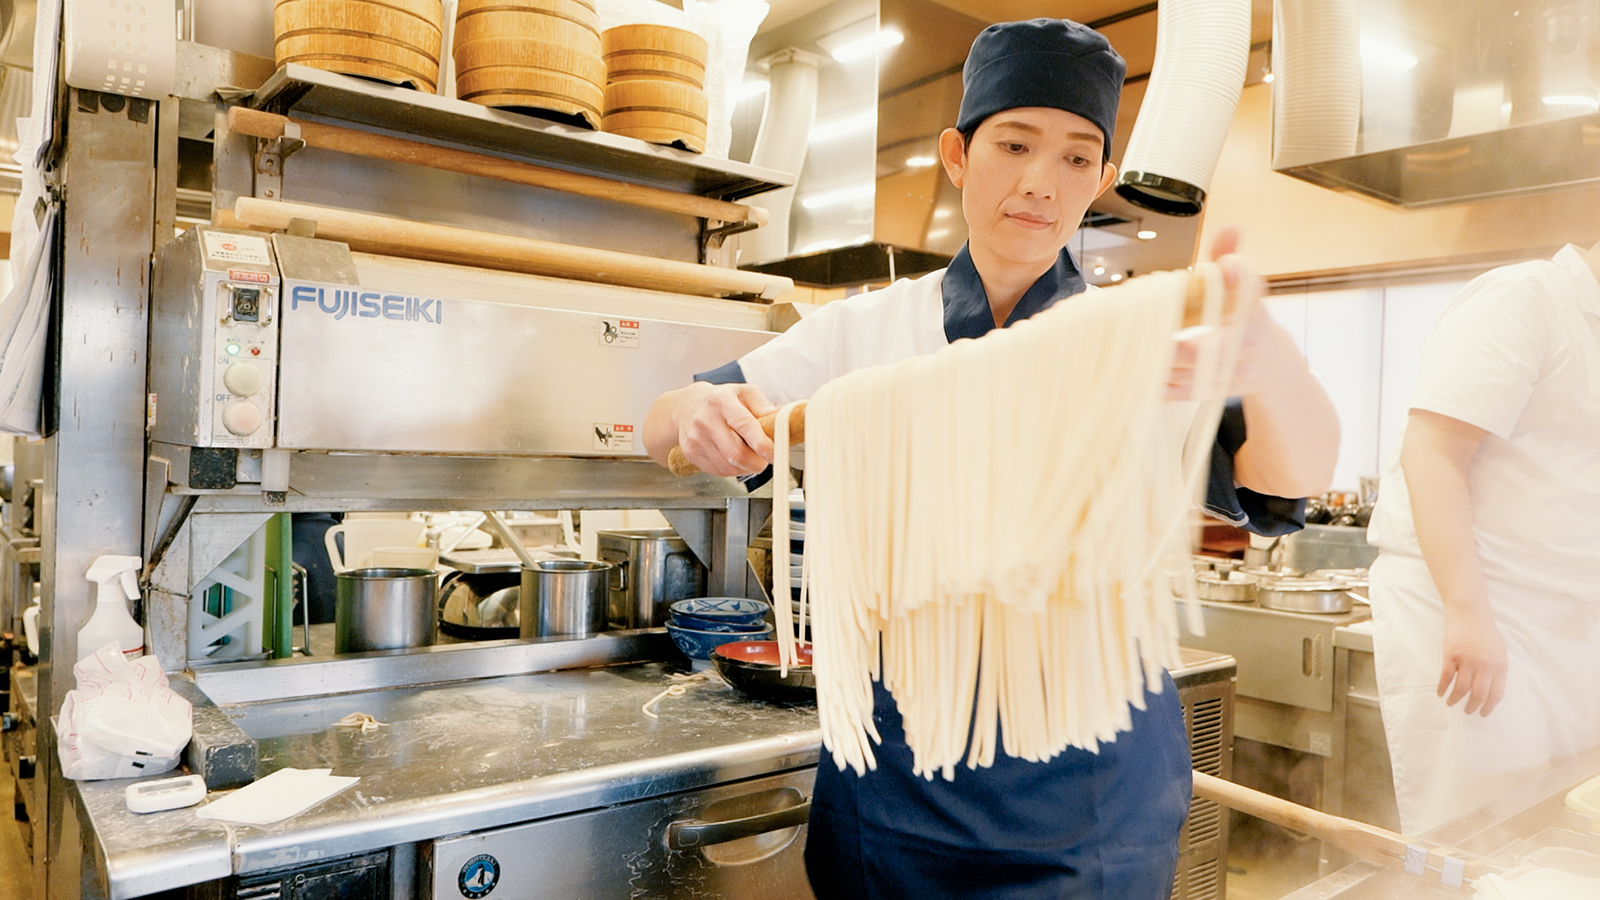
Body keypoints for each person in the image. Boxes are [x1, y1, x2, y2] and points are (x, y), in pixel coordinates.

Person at [645, 19, 1338, 898]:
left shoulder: (1139, 341)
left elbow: (1291, 481)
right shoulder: (866, 332)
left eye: (1078, 159)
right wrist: (697, 411)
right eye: (1014, 144)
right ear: (958, 155)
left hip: (1089, 787)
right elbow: (664, 423)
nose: (1042, 184)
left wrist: (1267, 356)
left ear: (1103, 181)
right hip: (895, 776)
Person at [1366, 242, 1600, 836]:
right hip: (1479, 606)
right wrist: (1469, 614)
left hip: (1565, 620)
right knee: (1478, 832)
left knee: (1553, 819)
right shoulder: (1526, 298)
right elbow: (1434, 453)